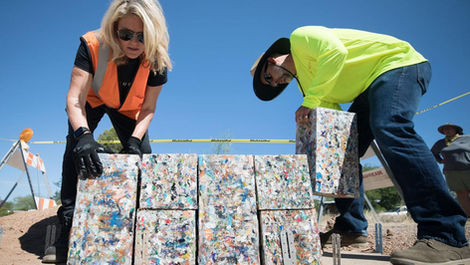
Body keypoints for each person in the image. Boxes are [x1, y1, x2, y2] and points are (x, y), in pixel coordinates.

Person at [250, 26, 470, 264]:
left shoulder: (300, 38)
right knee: (344, 149)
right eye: (272, 85)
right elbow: (331, 119)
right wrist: (318, 145)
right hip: (370, 87)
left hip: (397, 64)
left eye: (269, 77)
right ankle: (351, 227)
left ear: (272, 59)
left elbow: (335, 53)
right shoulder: (308, 84)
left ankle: (446, 235)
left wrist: (310, 101)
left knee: (390, 126)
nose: (276, 83)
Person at [42, 0, 171, 263]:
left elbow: (148, 108)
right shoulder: (92, 44)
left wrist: (135, 140)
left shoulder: (157, 58)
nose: (134, 43)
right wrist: (83, 135)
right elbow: (74, 100)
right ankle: (66, 225)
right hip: (91, 99)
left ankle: (138, 228)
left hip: (128, 109)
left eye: (142, 36)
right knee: (76, 151)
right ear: (114, 29)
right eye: (126, 35)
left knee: (144, 157)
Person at [432, 123, 470, 215]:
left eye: (449, 128)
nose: (447, 130)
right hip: (451, 172)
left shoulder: (467, 138)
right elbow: (433, 153)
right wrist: (440, 160)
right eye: (445, 129)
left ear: (455, 130)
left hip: (467, 168)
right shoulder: (440, 143)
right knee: (461, 193)